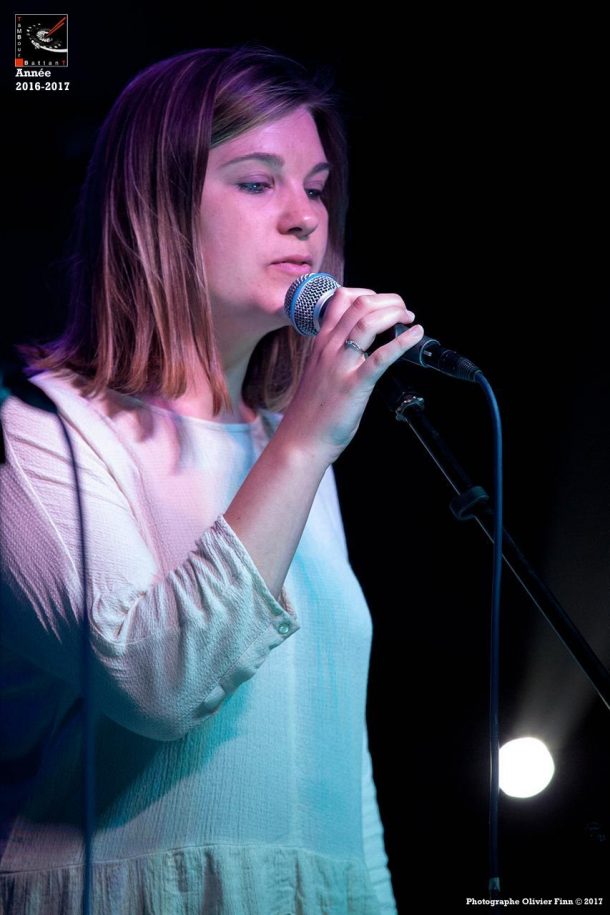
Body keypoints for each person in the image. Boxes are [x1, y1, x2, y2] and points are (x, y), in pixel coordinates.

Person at [0, 44, 424, 914]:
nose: (305, 218)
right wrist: (303, 443)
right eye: (259, 182)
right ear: (157, 206)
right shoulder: (43, 429)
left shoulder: (290, 443)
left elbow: (342, 772)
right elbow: (157, 680)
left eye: (317, 187)